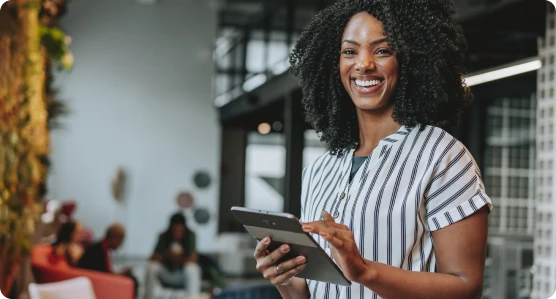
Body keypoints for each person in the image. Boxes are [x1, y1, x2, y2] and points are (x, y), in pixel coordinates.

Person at [253, 1, 493, 299]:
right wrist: (283, 276)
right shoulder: (319, 170)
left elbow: (466, 287)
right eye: (350, 51)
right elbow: (307, 293)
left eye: (382, 50)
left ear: (409, 60)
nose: (364, 64)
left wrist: (364, 271)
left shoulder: (442, 155)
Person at [144, 212, 202, 299]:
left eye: (180, 230)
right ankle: (148, 297)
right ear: (171, 228)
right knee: (152, 267)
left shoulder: (190, 235)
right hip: (167, 273)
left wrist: (179, 259)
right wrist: (167, 255)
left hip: (181, 274)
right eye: (175, 230)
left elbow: (193, 258)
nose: (177, 233)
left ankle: (193, 297)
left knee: (192, 269)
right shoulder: (164, 236)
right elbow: (153, 257)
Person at [77, 223, 138, 297]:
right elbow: (100, 273)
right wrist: (117, 275)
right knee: (133, 280)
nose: (121, 244)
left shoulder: (103, 248)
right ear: (114, 237)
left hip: (99, 280)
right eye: (121, 240)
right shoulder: (96, 250)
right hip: (95, 283)